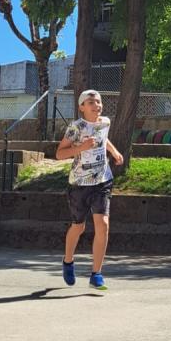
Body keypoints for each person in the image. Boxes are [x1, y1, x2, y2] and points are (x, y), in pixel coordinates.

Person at [55, 89, 124, 291]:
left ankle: (96, 274)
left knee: (103, 225)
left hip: (102, 181)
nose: (97, 105)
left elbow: (103, 138)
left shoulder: (105, 122)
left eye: (99, 101)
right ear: (81, 107)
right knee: (79, 227)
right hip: (79, 184)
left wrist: (114, 151)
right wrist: (81, 147)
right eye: (91, 102)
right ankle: (68, 261)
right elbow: (59, 154)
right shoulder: (75, 127)